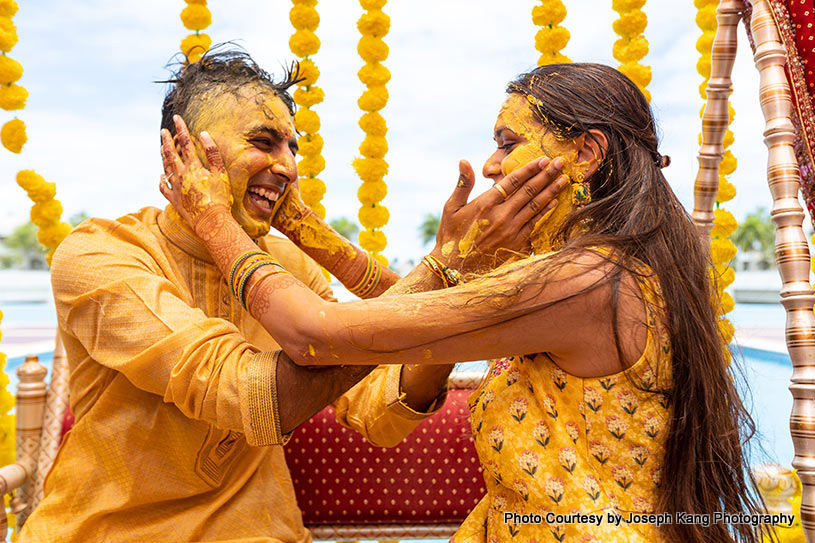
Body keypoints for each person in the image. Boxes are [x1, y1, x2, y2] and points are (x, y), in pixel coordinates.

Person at [160, 62, 763, 543]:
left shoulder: (583, 282)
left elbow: (318, 331)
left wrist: (213, 217)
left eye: (507, 141)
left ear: (585, 154)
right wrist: (309, 229)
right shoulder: (591, 267)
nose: (494, 163)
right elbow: (417, 312)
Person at [18, 51, 565, 542]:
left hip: (258, 530)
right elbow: (249, 393)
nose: (288, 166)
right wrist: (448, 271)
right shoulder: (97, 255)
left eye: (292, 147)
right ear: (180, 151)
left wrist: (445, 296)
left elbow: (380, 412)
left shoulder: (289, 264)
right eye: (263, 141)